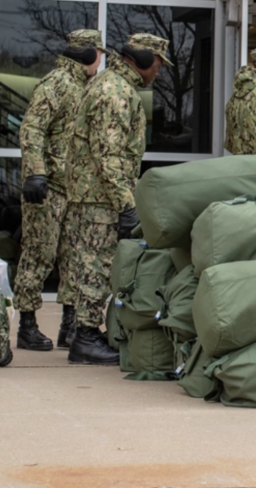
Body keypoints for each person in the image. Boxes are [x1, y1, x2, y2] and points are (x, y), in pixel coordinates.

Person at [63, 34, 171, 365]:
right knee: (96, 265)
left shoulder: (111, 85)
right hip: (101, 197)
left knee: (89, 263)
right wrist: (126, 204)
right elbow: (108, 156)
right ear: (140, 59)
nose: (158, 72)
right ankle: (85, 337)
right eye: (157, 63)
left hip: (96, 194)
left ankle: (82, 333)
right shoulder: (115, 93)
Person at [14, 29, 105, 352]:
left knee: (73, 258)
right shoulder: (57, 84)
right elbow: (32, 128)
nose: (100, 62)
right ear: (87, 55)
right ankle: (27, 325)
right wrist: (35, 173)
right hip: (50, 188)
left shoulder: (85, 87)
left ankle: (70, 323)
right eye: (98, 54)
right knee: (40, 254)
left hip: (74, 190)